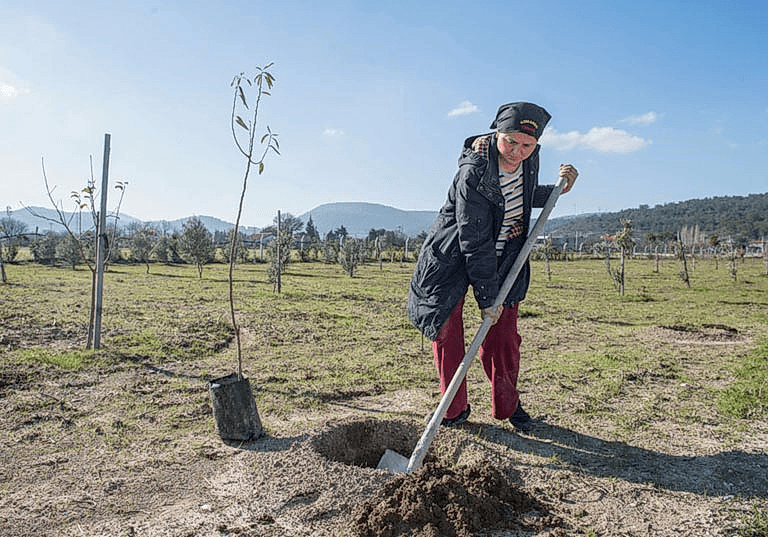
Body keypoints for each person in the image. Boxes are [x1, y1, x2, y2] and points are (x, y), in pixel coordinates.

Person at [407, 101, 578, 432]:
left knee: (504, 338)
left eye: (527, 145)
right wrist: (487, 299)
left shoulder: (527, 162)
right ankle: (453, 409)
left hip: (504, 260)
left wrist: (558, 190)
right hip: (453, 258)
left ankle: (507, 404)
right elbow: (474, 241)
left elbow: (518, 197)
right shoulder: (472, 172)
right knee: (447, 332)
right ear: (497, 133)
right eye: (510, 141)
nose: (517, 151)